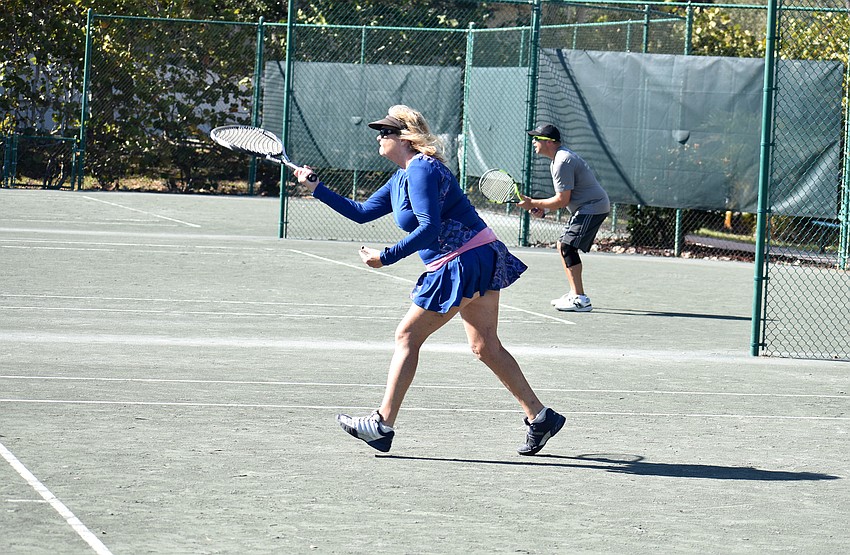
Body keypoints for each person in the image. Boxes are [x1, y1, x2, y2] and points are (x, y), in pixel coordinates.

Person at [292, 105, 565, 456]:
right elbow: (360, 214)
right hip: (478, 254)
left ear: (405, 138)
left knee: (407, 335)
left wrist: (386, 257)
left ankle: (382, 424)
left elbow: (429, 228)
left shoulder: (421, 168)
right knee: (486, 347)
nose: (379, 137)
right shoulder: (402, 176)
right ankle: (540, 416)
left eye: (386, 132)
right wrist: (317, 187)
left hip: (462, 260)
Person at [517, 124, 610, 313]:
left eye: (538, 139)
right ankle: (575, 293)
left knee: (567, 246)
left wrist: (532, 202)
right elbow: (566, 197)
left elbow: (562, 200)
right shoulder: (558, 159)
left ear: (550, 142)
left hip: (593, 207)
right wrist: (543, 210)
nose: (534, 142)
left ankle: (581, 299)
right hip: (587, 207)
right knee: (563, 245)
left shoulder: (562, 161)